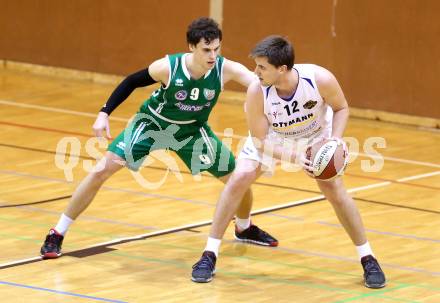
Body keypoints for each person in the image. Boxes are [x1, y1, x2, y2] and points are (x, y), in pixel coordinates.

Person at [40, 18, 278, 260]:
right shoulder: (167, 67)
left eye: (216, 48)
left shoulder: (226, 69)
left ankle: (244, 227)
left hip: (192, 131)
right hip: (152, 124)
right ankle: (57, 232)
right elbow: (131, 81)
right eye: (206, 49)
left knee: (238, 180)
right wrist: (104, 113)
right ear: (191, 47)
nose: (212, 55)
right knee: (101, 170)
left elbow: (262, 86)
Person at [191, 36, 386, 289]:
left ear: (282, 69)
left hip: (315, 137)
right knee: (239, 178)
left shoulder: (319, 79)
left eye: (262, 67)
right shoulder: (256, 91)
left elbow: (341, 107)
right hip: (271, 139)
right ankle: (209, 254)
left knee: (335, 191)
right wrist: (296, 157)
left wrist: (335, 142)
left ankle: (368, 257)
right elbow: (260, 141)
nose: (255, 71)